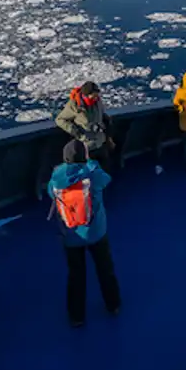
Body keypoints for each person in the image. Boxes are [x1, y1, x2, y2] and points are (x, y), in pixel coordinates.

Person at [47, 140, 122, 328]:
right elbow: (106, 180)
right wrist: (91, 163)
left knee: (76, 275)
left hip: (70, 235)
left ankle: (76, 316)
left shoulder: (56, 177)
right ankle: (113, 304)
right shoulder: (92, 173)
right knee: (105, 269)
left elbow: (51, 193)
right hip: (96, 232)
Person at [56, 81, 115, 172]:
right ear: (86, 95)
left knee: (105, 170)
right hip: (86, 145)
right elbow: (60, 120)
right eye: (94, 95)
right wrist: (76, 132)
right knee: (88, 174)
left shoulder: (97, 102)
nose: (96, 97)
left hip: (100, 142)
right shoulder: (75, 105)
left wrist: (108, 135)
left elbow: (102, 116)